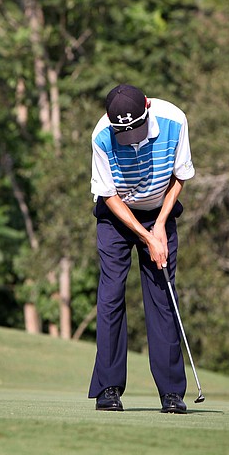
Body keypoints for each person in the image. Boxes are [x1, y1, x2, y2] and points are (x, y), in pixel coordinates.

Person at [87, 83, 195, 414]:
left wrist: (159, 226)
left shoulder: (174, 120)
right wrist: (145, 236)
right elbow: (109, 196)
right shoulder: (102, 135)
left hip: (158, 212)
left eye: (137, 128)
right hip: (116, 215)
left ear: (147, 109)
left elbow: (179, 177)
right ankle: (108, 388)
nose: (132, 137)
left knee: (163, 298)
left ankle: (172, 393)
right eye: (125, 132)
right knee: (111, 296)